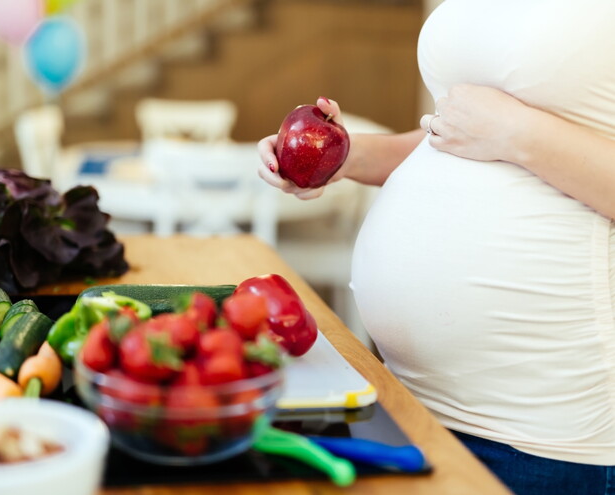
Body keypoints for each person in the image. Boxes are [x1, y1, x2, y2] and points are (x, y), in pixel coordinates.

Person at [256, 1, 615, 494]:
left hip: (541, 433)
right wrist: (344, 154)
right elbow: (452, 138)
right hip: (409, 401)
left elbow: (502, 133)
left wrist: (520, 132)